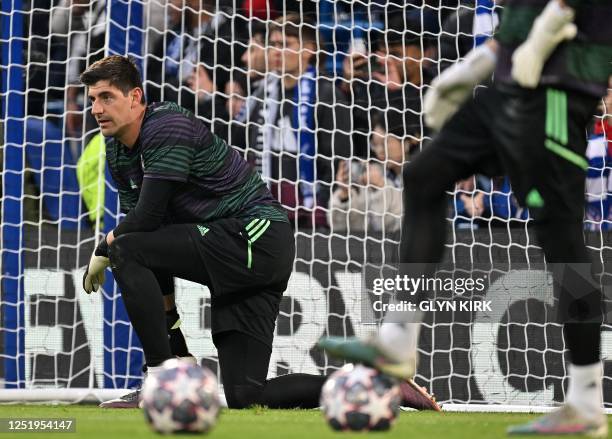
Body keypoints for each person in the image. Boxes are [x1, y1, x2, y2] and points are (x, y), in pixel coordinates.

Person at [320, 0, 611, 436]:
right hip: (514, 87)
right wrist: (476, 64)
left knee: (563, 244)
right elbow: (521, 17)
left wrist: (548, 30)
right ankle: (397, 341)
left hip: (557, 91)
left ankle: (586, 399)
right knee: (423, 174)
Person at [80, 55, 326, 409]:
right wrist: (178, 347)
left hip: (256, 235)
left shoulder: (166, 126)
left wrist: (103, 249)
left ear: (135, 97)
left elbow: (144, 221)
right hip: (234, 251)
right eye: (91, 100)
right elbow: (149, 236)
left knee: (126, 248)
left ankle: (162, 379)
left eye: (106, 97)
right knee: (246, 396)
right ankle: (373, 385)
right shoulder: (117, 149)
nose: (96, 109)